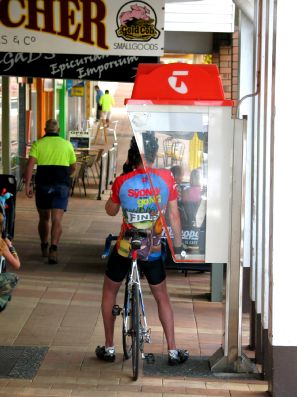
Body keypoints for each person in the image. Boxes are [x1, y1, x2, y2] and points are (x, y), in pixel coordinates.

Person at [96, 134, 189, 366]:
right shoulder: (166, 178)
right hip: (154, 249)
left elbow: (110, 210)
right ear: (155, 153)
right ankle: (173, 350)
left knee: (110, 292)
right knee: (161, 297)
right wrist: (178, 246)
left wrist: (113, 195)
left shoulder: (123, 181)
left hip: (126, 249)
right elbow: (174, 216)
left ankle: (109, 348)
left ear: (133, 155)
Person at [25, 119, 76, 265]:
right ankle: (54, 249)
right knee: (57, 219)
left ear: (45, 129)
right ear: (58, 130)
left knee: (44, 217)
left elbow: (30, 166)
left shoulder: (38, 144)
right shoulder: (67, 144)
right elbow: (73, 167)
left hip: (43, 186)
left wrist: (27, 185)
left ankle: (44, 245)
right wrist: (66, 175)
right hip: (61, 185)